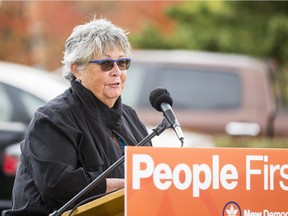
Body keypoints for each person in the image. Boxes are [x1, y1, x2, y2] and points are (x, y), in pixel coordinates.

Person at [2, 17, 151, 216]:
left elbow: (151, 173)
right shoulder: (53, 119)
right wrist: (119, 186)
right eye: (106, 64)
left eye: (122, 63)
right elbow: (58, 186)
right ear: (76, 69)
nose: (117, 72)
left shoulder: (129, 116)